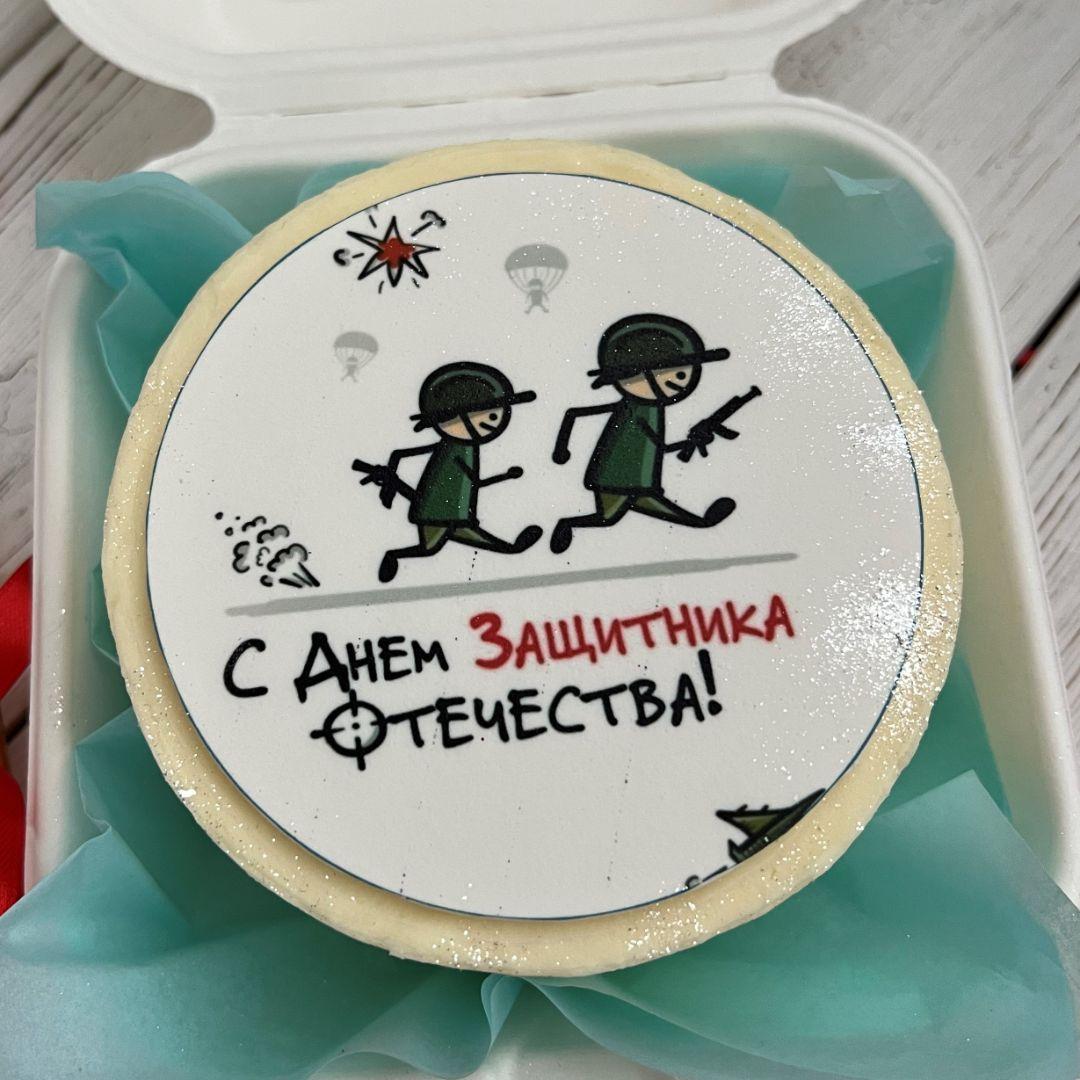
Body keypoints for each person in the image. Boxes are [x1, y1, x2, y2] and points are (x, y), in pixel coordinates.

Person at [550, 313, 757, 554]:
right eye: (677, 374)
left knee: (638, 510)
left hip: (641, 478)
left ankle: (703, 522)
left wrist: (692, 440)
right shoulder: (636, 410)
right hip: (614, 477)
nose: (678, 384)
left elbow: (576, 415)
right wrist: (561, 449)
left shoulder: (653, 409)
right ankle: (567, 524)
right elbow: (659, 445)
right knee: (608, 518)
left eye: (682, 375)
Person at [354, 362, 542, 582]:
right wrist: (505, 476)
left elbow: (403, 454)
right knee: (429, 549)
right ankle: (392, 556)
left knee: (448, 544)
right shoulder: (456, 449)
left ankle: (513, 549)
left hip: (455, 513)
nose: (489, 425)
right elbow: (475, 481)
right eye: (489, 416)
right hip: (436, 513)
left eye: (493, 417)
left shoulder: (467, 448)